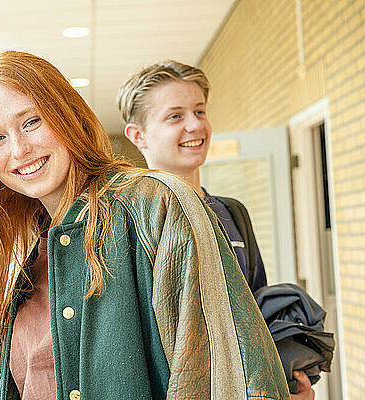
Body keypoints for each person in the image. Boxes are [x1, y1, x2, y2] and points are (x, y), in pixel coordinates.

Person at [0, 50, 290, 399]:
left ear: (67, 115)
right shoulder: (13, 252)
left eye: (32, 121)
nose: (19, 149)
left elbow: (221, 370)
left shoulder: (156, 205)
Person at [117, 60, 314, 400]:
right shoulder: (123, 222)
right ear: (138, 136)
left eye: (200, 111)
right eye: (175, 116)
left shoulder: (232, 212)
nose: (195, 125)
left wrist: (282, 386)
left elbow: (256, 316)